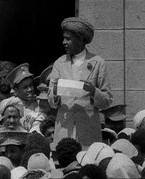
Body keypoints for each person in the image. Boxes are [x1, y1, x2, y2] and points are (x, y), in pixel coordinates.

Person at [48, 17, 113, 150]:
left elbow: (107, 100)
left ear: (81, 39)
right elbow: (52, 103)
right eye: (64, 38)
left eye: (68, 39)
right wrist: (54, 91)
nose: (64, 42)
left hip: (88, 132)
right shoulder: (59, 64)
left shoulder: (98, 63)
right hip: (65, 130)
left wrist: (94, 91)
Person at [5, 63, 45, 133]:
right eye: (25, 87)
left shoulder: (40, 102)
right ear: (16, 89)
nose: (30, 89)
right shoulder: (9, 104)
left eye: (31, 85)